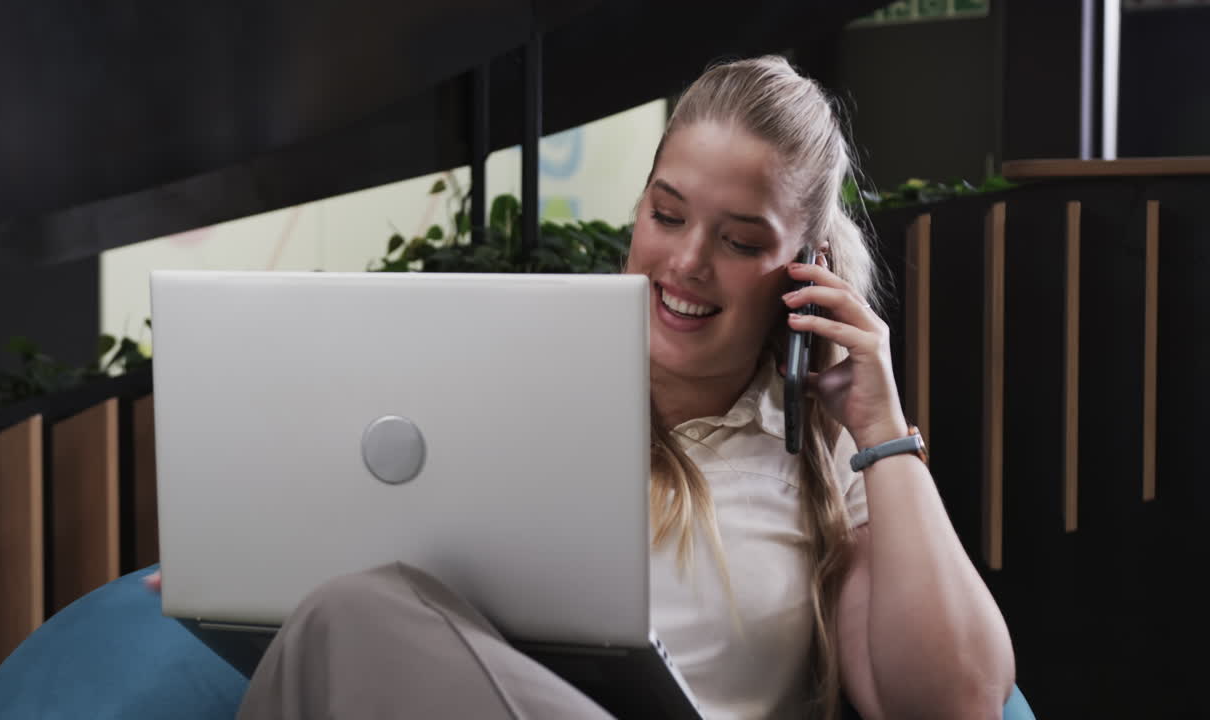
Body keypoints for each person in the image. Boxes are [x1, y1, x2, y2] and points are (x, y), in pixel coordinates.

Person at [147, 55, 1015, 719]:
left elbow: (957, 702)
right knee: (345, 620)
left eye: (741, 241)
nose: (685, 262)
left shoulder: (824, 466)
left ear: (806, 272)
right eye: (666, 215)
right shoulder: (510, 400)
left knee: (351, 614)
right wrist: (254, 568)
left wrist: (880, 425)